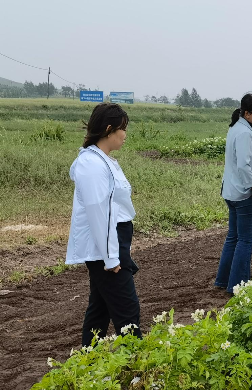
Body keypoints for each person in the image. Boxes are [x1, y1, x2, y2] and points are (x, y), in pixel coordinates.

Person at [65, 103, 141, 346]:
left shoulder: (102, 160)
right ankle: (136, 370)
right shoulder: (92, 164)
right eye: (123, 128)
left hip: (114, 242)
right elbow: (99, 213)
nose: (125, 134)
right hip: (107, 247)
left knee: (100, 308)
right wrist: (111, 258)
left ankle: (87, 363)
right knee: (127, 311)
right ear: (109, 129)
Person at [215, 94, 252, 293]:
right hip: (244, 193)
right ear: (247, 113)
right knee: (245, 240)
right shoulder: (245, 133)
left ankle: (223, 280)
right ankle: (238, 285)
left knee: (233, 237)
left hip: (231, 191)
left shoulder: (236, 128)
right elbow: (244, 167)